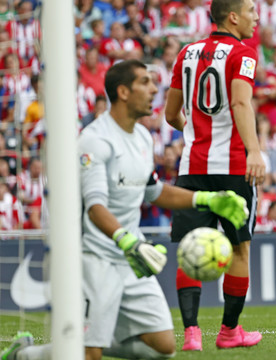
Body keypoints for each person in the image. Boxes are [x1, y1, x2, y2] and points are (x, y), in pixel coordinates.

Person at [1, 60, 249, 360]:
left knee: (163, 347)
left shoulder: (143, 137)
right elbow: (95, 207)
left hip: (130, 259)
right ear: (123, 92)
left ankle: (85, 342)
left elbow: (154, 191)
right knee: (89, 355)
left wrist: (206, 199)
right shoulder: (95, 140)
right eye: (145, 82)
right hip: (93, 258)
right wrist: (127, 240)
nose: (155, 89)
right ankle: (24, 355)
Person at [163, 0, 266, 351]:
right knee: (239, 248)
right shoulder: (244, 53)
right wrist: (254, 150)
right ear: (233, 16)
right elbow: (240, 103)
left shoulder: (186, 53)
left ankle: (192, 334)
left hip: (193, 167)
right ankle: (229, 332)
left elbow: (170, 114)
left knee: (190, 246)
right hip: (235, 166)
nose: (257, 17)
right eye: (252, 10)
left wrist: (192, 133)